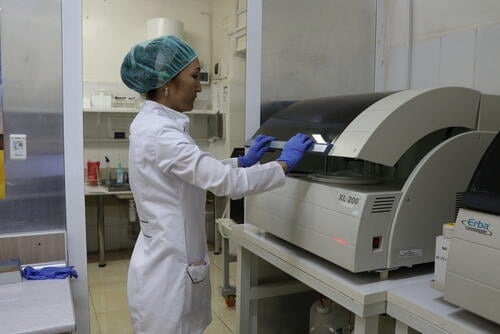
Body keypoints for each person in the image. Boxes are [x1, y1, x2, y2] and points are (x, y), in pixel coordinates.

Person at [120, 35, 312, 334]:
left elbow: (192, 171)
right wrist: (283, 165)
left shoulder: (154, 126)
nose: (199, 86)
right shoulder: (162, 134)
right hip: (168, 273)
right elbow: (225, 184)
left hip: (162, 258)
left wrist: (241, 162)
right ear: (167, 82)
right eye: (195, 76)